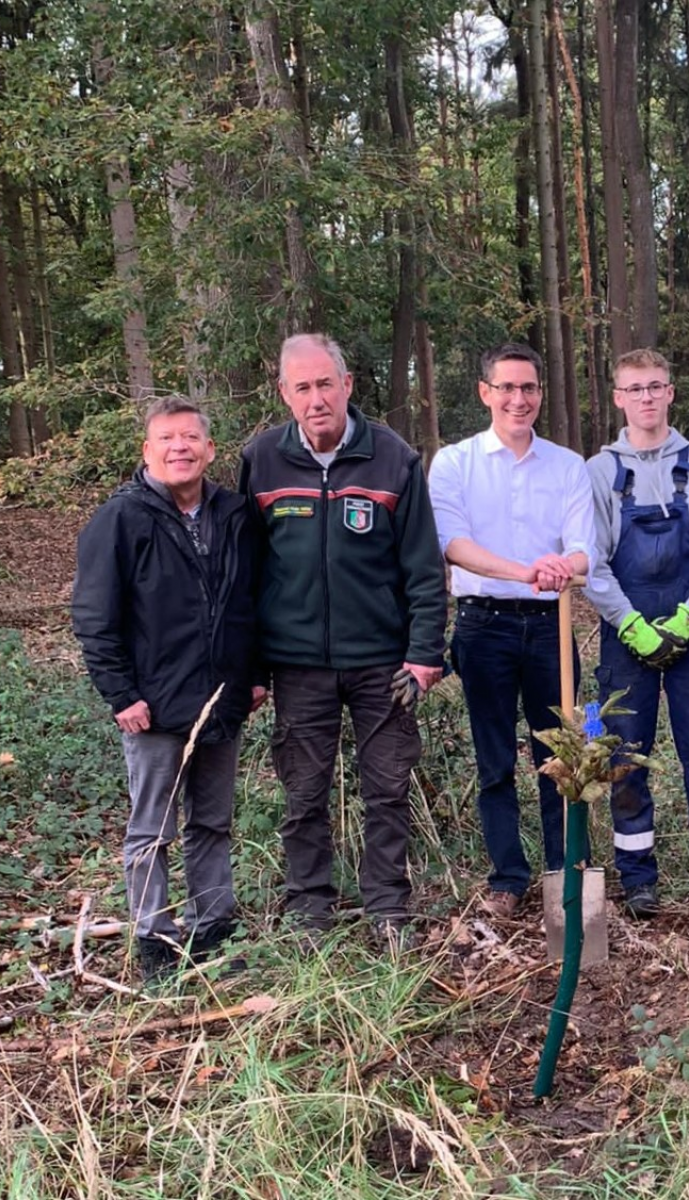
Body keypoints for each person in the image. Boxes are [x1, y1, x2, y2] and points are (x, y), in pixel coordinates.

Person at [238, 333, 447, 949]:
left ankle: (388, 908)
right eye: (301, 387)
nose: (316, 397)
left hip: (384, 663)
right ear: (284, 394)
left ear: (347, 385)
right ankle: (310, 911)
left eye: (325, 383)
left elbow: (424, 569)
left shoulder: (393, 458)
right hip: (297, 665)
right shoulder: (261, 461)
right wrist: (250, 664)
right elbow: (246, 573)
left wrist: (425, 652)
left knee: (387, 788)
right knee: (304, 793)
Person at [72, 396, 259, 984]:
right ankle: (154, 936)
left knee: (213, 823)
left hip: (221, 700)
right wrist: (120, 693)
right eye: (166, 439)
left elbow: (248, 603)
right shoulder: (120, 519)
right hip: (151, 706)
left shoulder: (233, 514)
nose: (180, 447)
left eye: (190, 438)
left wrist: (254, 675)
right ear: (147, 451)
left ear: (209, 449)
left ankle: (215, 925)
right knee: (153, 829)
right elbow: (94, 616)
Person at [428, 343, 595, 919]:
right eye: (507, 388)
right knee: (494, 758)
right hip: (484, 627)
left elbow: (583, 550)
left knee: (562, 755)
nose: (518, 399)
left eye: (528, 388)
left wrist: (560, 568)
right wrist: (524, 570)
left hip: (553, 627)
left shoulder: (568, 465)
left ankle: (564, 871)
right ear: (485, 393)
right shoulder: (454, 463)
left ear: (540, 394)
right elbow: (453, 544)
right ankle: (507, 876)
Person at [584, 349, 689, 918]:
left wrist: (686, 620)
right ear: (618, 397)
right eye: (635, 389)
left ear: (671, 393)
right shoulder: (599, 471)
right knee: (625, 757)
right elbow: (592, 562)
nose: (646, 398)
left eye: (656, 387)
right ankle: (637, 877)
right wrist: (630, 624)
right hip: (624, 638)